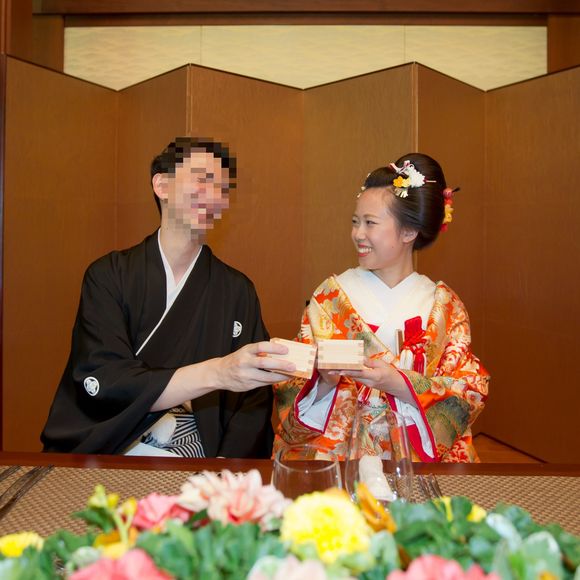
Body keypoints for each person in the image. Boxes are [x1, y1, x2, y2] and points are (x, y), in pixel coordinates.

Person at [41, 137, 294, 457]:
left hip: (199, 452)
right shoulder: (109, 275)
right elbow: (105, 377)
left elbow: (253, 400)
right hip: (111, 446)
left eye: (222, 189)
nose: (214, 196)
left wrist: (225, 467)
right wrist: (218, 372)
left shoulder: (236, 289)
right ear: (162, 185)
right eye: (203, 180)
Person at [273, 153, 489, 463]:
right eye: (355, 222)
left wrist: (399, 383)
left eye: (370, 223)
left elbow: (469, 390)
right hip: (343, 458)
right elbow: (291, 384)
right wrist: (324, 381)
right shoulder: (331, 298)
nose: (358, 234)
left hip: (416, 460)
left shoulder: (444, 307)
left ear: (409, 231)